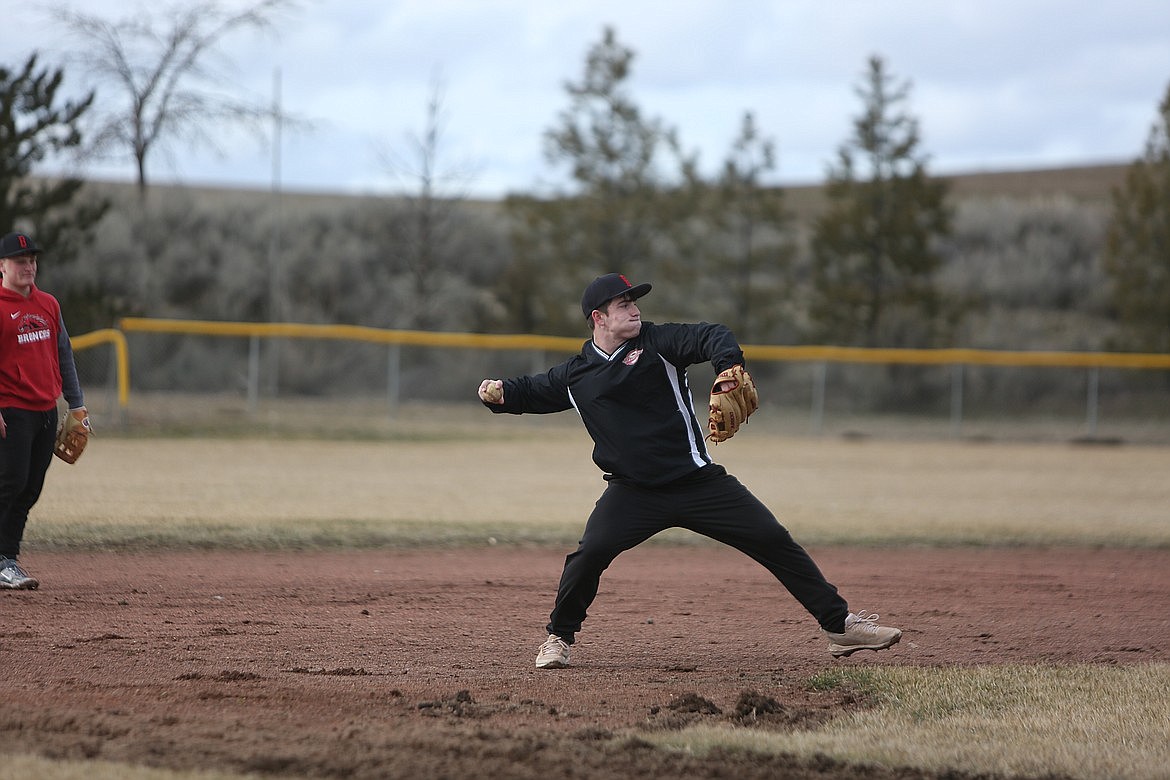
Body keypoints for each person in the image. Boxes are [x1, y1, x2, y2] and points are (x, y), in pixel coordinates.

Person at [478, 273, 902, 669]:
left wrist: (728, 366)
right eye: (623, 303)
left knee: (772, 539)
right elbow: (533, 390)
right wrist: (498, 395)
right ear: (598, 317)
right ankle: (559, 638)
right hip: (632, 493)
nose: (634, 310)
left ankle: (840, 627)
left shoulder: (659, 343)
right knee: (588, 555)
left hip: (698, 483)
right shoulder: (577, 375)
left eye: (635, 302)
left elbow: (710, 334)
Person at [0, 232, 89, 590]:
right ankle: (3, 558)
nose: (29, 266)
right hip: (12, 410)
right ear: (2, 266)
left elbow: (63, 354)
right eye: (20, 260)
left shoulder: (48, 304)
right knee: (10, 483)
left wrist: (77, 404)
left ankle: (7, 558)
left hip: (45, 410)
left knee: (30, 488)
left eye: (32, 259)